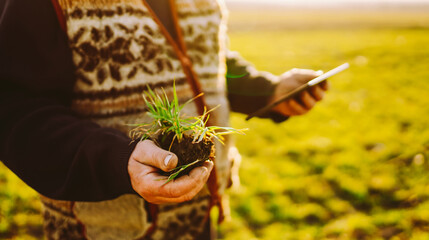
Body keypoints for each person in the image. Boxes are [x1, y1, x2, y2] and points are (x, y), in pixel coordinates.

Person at [0, 0, 328, 239]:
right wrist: (117, 160)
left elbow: (202, 58)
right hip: (104, 230)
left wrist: (267, 92)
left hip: (197, 221)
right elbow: (14, 104)